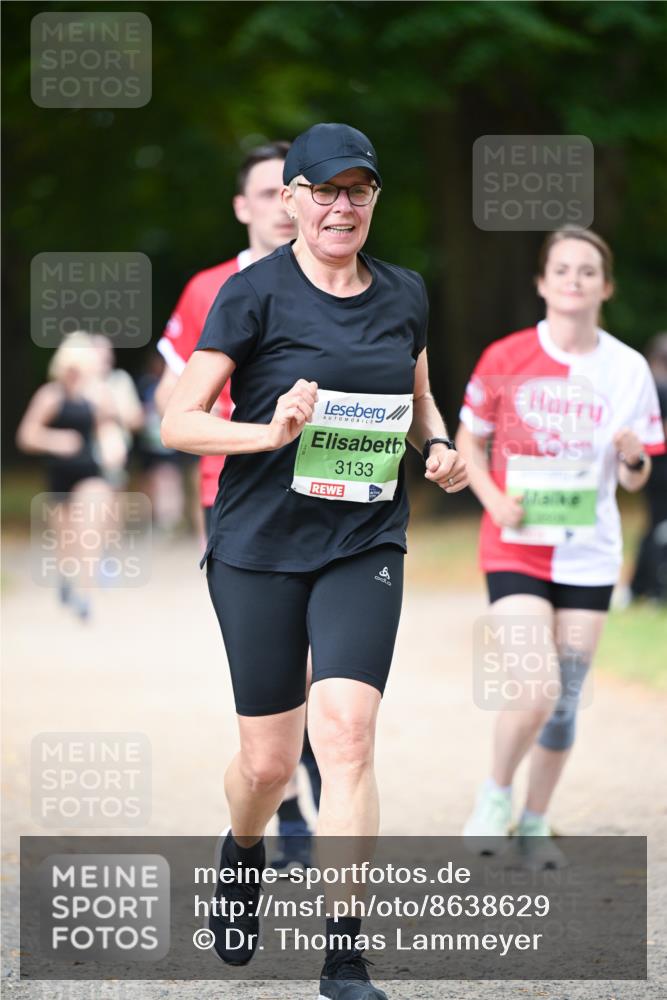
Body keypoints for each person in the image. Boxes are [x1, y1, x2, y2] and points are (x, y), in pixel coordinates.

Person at [162, 122, 468, 1000]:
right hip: (258, 547)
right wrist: (268, 433)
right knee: (267, 764)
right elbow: (179, 421)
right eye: (324, 191)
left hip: (362, 540)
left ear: (373, 200)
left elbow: (417, 396)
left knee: (346, 734)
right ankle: (242, 850)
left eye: (357, 191)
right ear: (291, 199)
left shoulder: (404, 292)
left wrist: (436, 444)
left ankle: (343, 957)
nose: (341, 207)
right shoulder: (251, 294)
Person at [456, 227, 665, 868]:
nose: (575, 280)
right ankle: (495, 794)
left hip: (588, 553)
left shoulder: (628, 369)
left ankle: (535, 821)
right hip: (516, 545)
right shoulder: (506, 355)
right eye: (563, 269)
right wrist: (492, 499)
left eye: (588, 271)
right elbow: (469, 441)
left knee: (564, 703)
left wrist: (632, 456)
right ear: (543, 283)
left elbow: (636, 477)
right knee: (536, 685)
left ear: (606, 287)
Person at [154, 142, 319, 865]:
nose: (281, 206)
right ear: (243, 206)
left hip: (325, 484)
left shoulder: (337, 278)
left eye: (293, 189)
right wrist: (236, 409)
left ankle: (303, 767)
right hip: (234, 489)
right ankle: (287, 799)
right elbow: (171, 399)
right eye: (266, 192)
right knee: (279, 661)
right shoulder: (209, 288)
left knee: (321, 662)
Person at [16, 331, 117, 620]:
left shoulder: (95, 395)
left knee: (88, 532)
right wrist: (55, 441)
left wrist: (112, 447)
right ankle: (66, 577)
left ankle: (85, 594)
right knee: (66, 538)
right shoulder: (50, 396)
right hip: (59, 476)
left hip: (89, 474)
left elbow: (107, 427)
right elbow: (26, 435)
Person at [629, 333, 667, 603]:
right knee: (658, 529)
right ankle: (652, 588)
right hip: (660, 470)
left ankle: (640, 586)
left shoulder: (646, 387)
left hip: (650, 469)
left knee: (653, 527)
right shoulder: (661, 389)